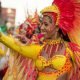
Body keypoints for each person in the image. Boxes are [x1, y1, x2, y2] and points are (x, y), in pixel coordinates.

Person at [0, 0, 80, 80]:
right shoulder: (39, 48)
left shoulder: (70, 50)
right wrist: (1, 37)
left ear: (57, 27)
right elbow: (17, 47)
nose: (42, 27)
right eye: (42, 24)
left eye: (46, 24)